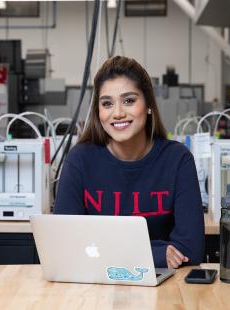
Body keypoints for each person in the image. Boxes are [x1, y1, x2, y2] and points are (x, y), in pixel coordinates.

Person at [54, 56, 204, 269]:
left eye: (129, 100)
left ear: (149, 105)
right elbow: (62, 246)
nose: (118, 113)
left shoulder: (178, 160)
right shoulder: (80, 160)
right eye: (107, 103)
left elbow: (191, 250)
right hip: (96, 289)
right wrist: (158, 253)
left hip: (165, 290)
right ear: (98, 112)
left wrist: (103, 250)